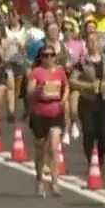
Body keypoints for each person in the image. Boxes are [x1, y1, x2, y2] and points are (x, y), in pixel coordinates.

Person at [27, 43, 69, 196]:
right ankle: (39, 180)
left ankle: (54, 182)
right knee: (40, 150)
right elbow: (29, 92)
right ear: (41, 57)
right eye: (45, 55)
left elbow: (66, 87)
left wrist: (64, 99)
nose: (49, 58)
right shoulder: (36, 73)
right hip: (39, 113)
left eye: (52, 55)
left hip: (56, 113)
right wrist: (37, 90)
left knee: (53, 148)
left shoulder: (60, 72)